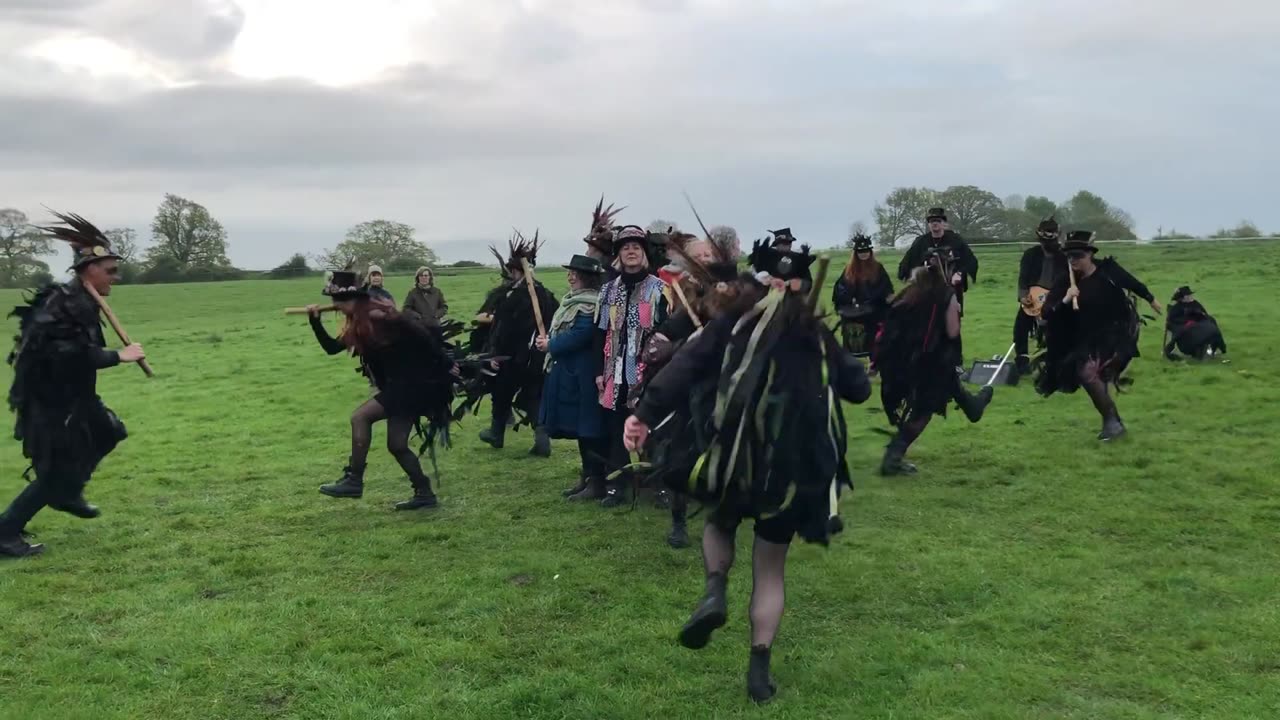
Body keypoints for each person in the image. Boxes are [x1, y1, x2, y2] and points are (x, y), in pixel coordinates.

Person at [624, 240, 871, 704]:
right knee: (770, 566)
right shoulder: (814, 334)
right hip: (791, 472)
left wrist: (641, 414)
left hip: (733, 460)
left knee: (719, 522)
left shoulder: (729, 325)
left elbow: (684, 366)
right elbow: (857, 389)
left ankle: (715, 590)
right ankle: (759, 668)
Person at [2, 211, 147, 558]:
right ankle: (6, 530)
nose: (117, 276)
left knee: (109, 431)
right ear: (89, 270)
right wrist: (119, 356)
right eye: (110, 271)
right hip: (53, 404)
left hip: (77, 397)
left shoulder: (82, 301)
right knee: (55, 472)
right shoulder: (66, 304)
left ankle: (68, 490)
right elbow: (68, 355)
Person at [305, 267, 457, 509]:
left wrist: (446, 363)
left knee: (360, 417)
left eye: (337, 300)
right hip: (400, 386)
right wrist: (315, 322)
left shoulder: (377, 316)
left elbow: (421, 333)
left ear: (351, 299)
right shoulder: (359, 321)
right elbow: (332, 348)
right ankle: (425, 494)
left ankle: (354, 480)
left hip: (413, 384)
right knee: (396, 444)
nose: (335, 305)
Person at [638, 229, 741, 548]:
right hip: (692, 381)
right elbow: (667, 331)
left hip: (730, 380)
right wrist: (675, 341)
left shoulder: (739, 289)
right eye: (699, 256)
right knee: (681, 447)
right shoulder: (684, 293)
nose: (704, 260)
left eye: (708, 255)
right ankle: (679, 520)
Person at [875, 247, 995, 475]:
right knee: (924, 410)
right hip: (930, 361)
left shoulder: (909, 292)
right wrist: (955, 310)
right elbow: (952, 332)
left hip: (904, 361)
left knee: (947, 383)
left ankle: (974, 407)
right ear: (946, 268)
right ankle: (892, 458)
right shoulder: (945, 294)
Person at [1035, 231, 1162, 440]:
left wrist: (1151, 299)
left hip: (1115, 333)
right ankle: (1112, 422)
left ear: (1089, 255)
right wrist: (1066, 299)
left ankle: (1112, 422)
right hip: (1082, 337)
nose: (1073, 260)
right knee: (1089, 375)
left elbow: (1132, 283)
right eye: (1069, 256)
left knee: (1089, 372)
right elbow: (1047, 314)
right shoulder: (1065, 281)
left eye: (1078, 256)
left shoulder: (1108, 272)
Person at [594, 225, 671, 508]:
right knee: (616, 429)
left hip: (649, 372)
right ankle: (617, 484)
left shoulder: (660, 290)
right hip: (615, 372)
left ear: (644, 253)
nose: (631, 252)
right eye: (625, 247)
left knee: (654, 428)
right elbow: (599, 333)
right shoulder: (607, 291)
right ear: (618, 255)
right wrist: (598, 371)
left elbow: (668, 331)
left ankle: (659, 484)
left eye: (636, 247)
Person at [478, 231, 559, 455]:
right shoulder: (545, 293)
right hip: (537, 357)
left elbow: (502, 331)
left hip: (514, 358)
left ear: (515, 271)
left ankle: (497, 434)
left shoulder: (514, 297)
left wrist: (494, 354)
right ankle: (541, 439)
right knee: (533, 396)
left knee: (502, 394)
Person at [535, 255, 609, 499]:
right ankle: (587, 478)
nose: (570, 276)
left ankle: (597, 481)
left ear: (586, 277)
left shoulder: (592, 304)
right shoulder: (571, 301)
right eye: (569, 272)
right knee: (581, 428)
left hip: (585, 374)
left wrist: (552, 345)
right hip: (570, 373)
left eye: (575, 273)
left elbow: (582, 334)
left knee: (590, 428)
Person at [1014, 217, 1068, 374]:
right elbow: (1023, 278)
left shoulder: (1064, 256)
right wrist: (1023, 295)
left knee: (1058, 329)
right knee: (1020, 328)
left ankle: (1056, 360)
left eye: (1050, 240)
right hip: (1032, 297)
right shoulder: (1030, 255)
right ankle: (1022, 361)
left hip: (1056, 298)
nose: (1047, 243)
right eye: (1044, 239)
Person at [897, 207, 978, 311]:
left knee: (952, 315)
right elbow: (907, 261)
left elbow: (970, 260)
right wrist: (909, 275)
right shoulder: (921, 242)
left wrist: (959, 273)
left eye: (938, 221)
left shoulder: (955, 240)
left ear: (943, 223)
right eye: (931, 221)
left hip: (951, 285)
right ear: (928, 224)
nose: (934, 223)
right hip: (927, 286)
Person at [831, 233, 894, 355]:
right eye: (860, 251)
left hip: (874, 310)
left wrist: (875, 299)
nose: (863, 253)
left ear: (870, 252)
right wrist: (850, 299)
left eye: (866, 251)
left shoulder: (878, 268)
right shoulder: (849, 269)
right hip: (854, 311)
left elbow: (885, 288)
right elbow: (841, 289)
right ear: (856, 253)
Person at [1164, 286, 1227, 360]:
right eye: (1188, 295)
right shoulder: (1176, 308)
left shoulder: (1195, 303)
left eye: (1190, 295)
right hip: (1187, 336)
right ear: (1182, 298)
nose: (1191, 297)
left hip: (1201, 328)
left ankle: (1213, 347)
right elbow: (1173, 322)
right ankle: (1199, 350)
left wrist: (1198, 314)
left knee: (1211, 323)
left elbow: (1204, 314)